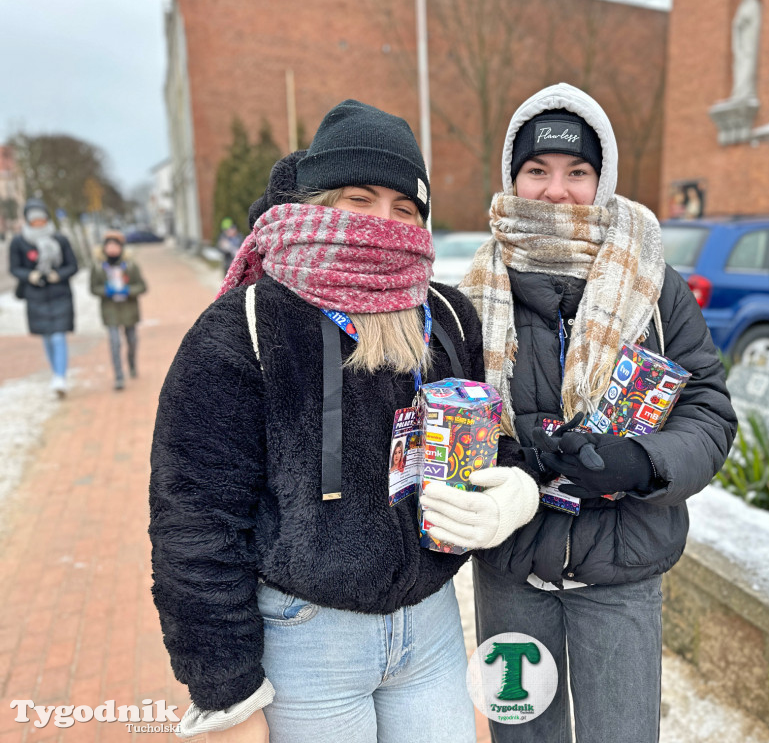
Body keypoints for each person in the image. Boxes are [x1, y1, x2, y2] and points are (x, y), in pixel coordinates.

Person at [148, 100, 540, 743]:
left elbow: (493, 435)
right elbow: (194, 519)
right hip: (306, 639)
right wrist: (228, 694)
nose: (385, 223)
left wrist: (513, 490)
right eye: (361, 198)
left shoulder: (446, 316)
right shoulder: (244, 327)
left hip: (431, 626)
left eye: (405, 207)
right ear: (319, 202)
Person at [442, 83, 737, 742]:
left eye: (578, 172)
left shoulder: (654, 286)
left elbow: (709, 412)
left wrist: (644, 463)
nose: (556, 190)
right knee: (523, 735)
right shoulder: (473, 293)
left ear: (602, 181)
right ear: (512, 177)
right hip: (513, 568)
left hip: (621, 568)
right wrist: (512, 467)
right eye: (537, 171)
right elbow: (450, 420)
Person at [8, 198, 79, 398]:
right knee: (47, 338)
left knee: (58, 336)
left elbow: (72, 265)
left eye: (41, 219)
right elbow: (14, 268)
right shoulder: (19, 242)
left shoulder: (60, 239)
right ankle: (56, 373)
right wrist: (29, 275)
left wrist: (59, 274)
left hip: (60, 294)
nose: (38, 223)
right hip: (35, 296)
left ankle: (60, 377)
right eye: (34, 220)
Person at [90, 230, 147, 390]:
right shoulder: (99, 267)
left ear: (121, 247)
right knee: (114, 343)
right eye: (109, 246)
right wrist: (105, 291)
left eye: (116, 246)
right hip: (110, 310)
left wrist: (128, 290)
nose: (112, 249)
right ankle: (119, 376)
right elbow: (93, 288)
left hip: (129, 309)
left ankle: (132, 363)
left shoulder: (130, 265)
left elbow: (142, 286)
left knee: (132, 341)